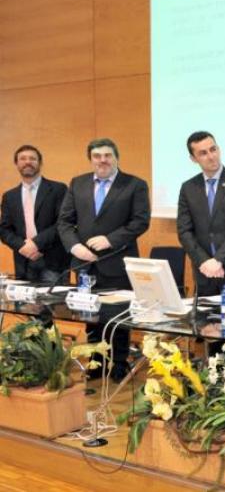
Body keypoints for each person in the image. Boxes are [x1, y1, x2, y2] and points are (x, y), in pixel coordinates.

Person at [57, 138, 150, 381]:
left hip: (118, 261)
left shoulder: (134, 185)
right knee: (90, 315)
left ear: (116, 157)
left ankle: (119, 363)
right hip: (85, 263)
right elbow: (65, 221)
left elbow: (140, 221)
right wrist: (75, 246)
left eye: (107, 155)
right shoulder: (78, 184)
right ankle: (97, 361)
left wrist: (110, 240)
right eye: (97, 156)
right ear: (91, 159)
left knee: (118, 316)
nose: (102, 160)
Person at [176, 131, 225, 297]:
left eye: (213, 149)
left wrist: (218, 260)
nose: (211, 156)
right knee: (205, 322)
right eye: (203, 153)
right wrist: (204, 261)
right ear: (193, 159)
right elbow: (184, 231)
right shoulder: (188, 188)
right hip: (205, 272)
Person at [0, 145, 68, 282]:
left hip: (53, 261)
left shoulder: (58, 189)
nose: (27, 162)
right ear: (16, 163)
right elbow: (4, 229)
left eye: (32, 159)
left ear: (40, 163)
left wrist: (36, 244)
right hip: (23, 262)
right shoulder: (9, 196)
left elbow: (63, 223)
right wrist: (22, 246)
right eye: (22, 159)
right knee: (23, 302)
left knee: (53, 303)